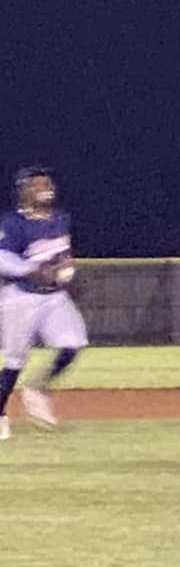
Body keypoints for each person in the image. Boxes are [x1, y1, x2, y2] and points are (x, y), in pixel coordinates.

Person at [0, 166, 88, 440]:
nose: (44, 187)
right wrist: (30, 270)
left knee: (73, 344)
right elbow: (3, 258)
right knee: (15, 360)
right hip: (20, 297)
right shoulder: (13, 222)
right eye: (37, 184)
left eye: (47, 182)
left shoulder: (61, 218)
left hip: (54, 297)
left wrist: (69, 278)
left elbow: (62, 257)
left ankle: (37, 389)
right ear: (24, 190)